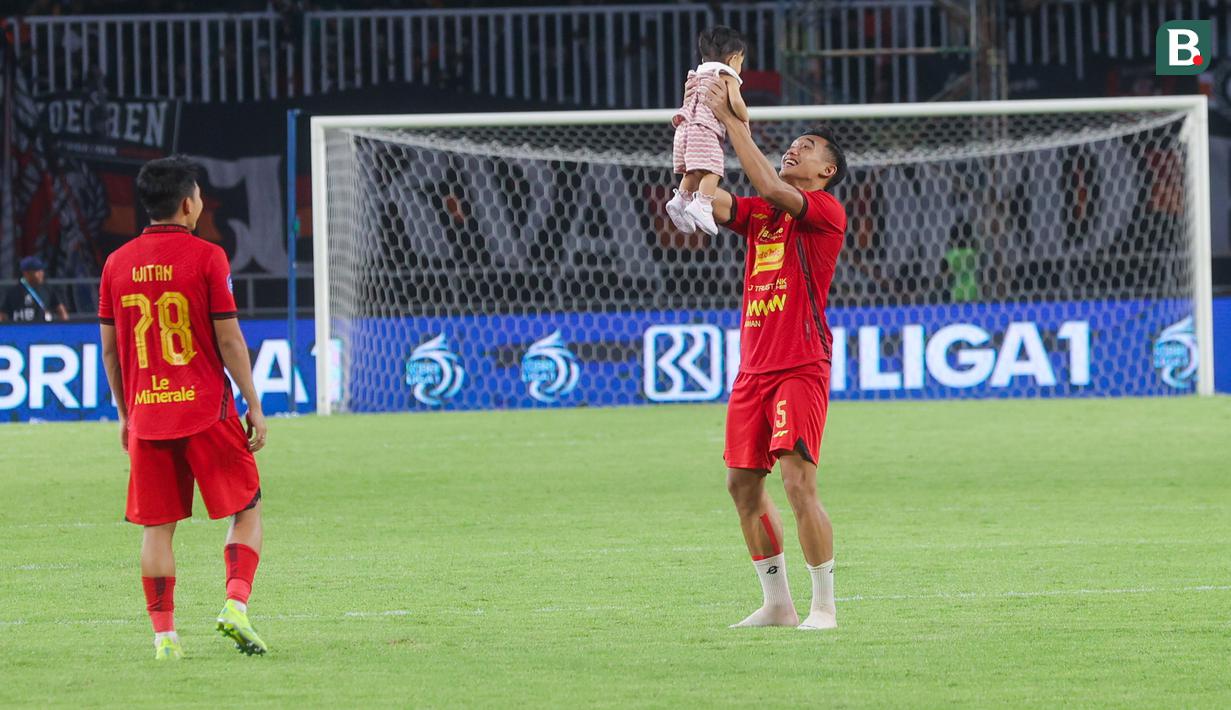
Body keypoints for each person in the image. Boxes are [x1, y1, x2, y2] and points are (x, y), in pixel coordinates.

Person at [97, 156, 269, 660]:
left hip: (148, 414)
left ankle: (165, 637)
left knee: (157, 528)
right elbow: (229, 338)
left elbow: (110, 350)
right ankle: (235, 604)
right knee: (247, 509)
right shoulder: (207, 256)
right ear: (189, 203)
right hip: (205, 413)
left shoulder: (116, 263)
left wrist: (126, 412)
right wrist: (253, 403)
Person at [695, 76, 849, 630]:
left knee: (797, 482)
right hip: (753, 370)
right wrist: (699, 135)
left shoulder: (824, 211)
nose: (795, 148)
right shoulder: (763, 214)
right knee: (741, 485)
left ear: (826, 172)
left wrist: (735, 121)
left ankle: (824, 607)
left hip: (800, 366)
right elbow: (705, 199)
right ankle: (778, 604)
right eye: (795, 142)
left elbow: (765, 180)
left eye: (808, 147)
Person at [664, 26, 749, 237]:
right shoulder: (726, 75)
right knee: (713, 171)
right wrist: (745, 116)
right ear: (733, 59)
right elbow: (736, 102)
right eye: (741, 62)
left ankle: (680, 199)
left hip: (684, 129)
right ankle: (702, 205)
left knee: (693, 171)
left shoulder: (697, 74)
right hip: (704, 129)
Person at [1, 256, 69, 323]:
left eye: (42, 270)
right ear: (26, 273)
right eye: (37, 270)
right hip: (20, 331)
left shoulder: (47, 289)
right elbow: (2, 314)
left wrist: (64, 330)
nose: (41, 273)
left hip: (43, 331)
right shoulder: (13, 292)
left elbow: (61, 311)